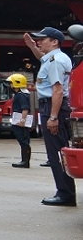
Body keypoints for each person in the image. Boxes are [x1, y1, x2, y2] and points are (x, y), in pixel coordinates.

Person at [23, 26, 75, 207]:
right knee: (58, 151)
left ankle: (65, 193)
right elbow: (41, 57)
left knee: (57, 152)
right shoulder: (54, 58)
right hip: (53, 107)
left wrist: (53, 117)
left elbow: (58, 90)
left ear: (54, 42)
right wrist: (32, 46)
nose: (38, 42)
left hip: (54, 108)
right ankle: (65, 191)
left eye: (42, 39)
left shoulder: (55, 61)